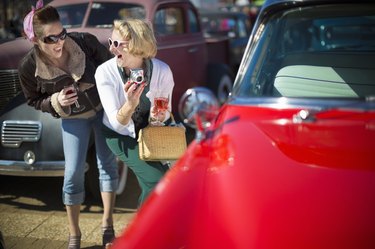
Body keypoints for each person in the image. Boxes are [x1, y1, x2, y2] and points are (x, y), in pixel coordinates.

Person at [18, 1, 118, 248]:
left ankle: (108, 226)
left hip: (104, 112)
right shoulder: (29, 67)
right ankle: (74, 235)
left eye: (61, 33)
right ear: (35, 40)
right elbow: (33, 99)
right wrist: (55, 100)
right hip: (73, 119)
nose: (59, 42)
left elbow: (111, 69)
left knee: (107, 165)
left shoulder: (84, 41)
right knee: (72, 174)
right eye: (50, 39)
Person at [95, 18, 174, 206]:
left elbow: (166, 110)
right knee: (156, 181)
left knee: (165, 182)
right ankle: (146, 230)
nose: (111, 49)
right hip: (120, 135)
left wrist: (158, 116)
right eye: (110, 42)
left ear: (137, 45)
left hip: (152, 132)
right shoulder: (105, 72)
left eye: (117, 44)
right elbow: (117, 123)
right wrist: (130, 104)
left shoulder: (162, 71)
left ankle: (149, 229)